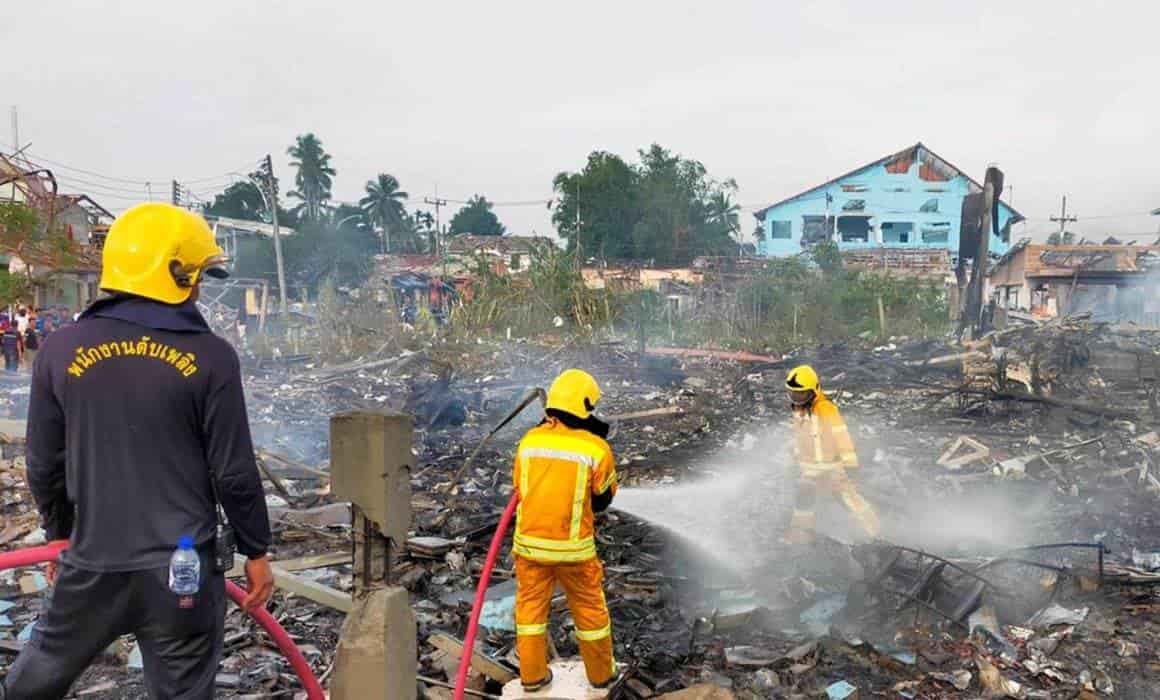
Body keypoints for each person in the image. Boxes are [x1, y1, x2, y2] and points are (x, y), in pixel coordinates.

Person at [3, 203, 274, 699]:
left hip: (90, 564)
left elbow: (44, 463)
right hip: (182, 575)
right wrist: (256, 549)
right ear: (175, 275)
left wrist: (59, 534)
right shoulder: (211, 356)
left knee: (27, 689)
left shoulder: (62, 349)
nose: (200, 288)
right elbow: (232, 471)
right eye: (198, 276)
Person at [512, 369, 619, 692]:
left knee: (530, 613)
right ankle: (601, 675)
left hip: (529, 549)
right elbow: (603, 500)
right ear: (585, 405)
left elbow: (519, 487)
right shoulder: (596, 449)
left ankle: (532, 677)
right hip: (574, 552)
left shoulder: (528, 442)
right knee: (590, 613)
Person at [784, 364, 880, 544]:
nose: (796, 398)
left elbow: (842, 438)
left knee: (849, 499)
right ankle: (800, 534)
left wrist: (851, 465)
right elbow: (800, 438)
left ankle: (873, 533)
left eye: (801, 394)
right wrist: (793, 460)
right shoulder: (799, 411)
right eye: (793, 394)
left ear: (814, 390)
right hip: (810, 468)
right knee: (804, 499)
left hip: (833, 467)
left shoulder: (826, 409)